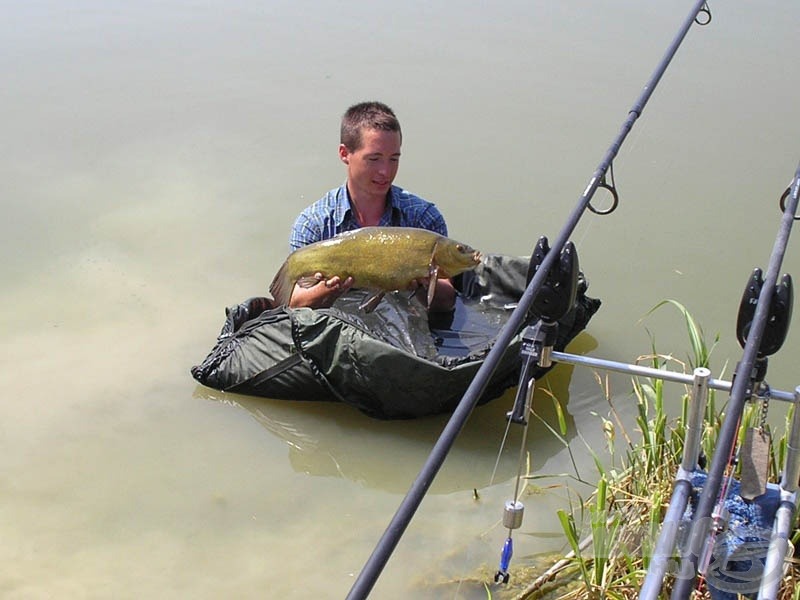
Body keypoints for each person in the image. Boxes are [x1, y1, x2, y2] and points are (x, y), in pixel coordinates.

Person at [287, 101, 457, 311]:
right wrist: (330, 290)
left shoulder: (423, 217)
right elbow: (293, 303)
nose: (385, 171)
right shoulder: (313, 224)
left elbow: (448, 299)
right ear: (344, 154)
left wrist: (424, 284)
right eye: (374, 159)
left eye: (393, 159)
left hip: (407, 336)